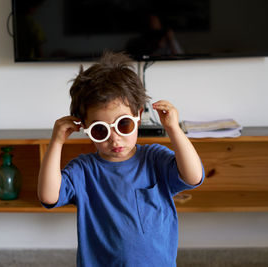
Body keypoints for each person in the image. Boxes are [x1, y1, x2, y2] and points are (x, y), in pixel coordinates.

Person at [38, 51, 204, 266]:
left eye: (123, 124)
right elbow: (48, 196)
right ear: (85, 128)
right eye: (100, 130)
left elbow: (193, 176)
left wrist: (173, 129)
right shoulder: (84, 170)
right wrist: (56, 142)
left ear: (138, 116)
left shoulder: (154, 158)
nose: (115, 139)